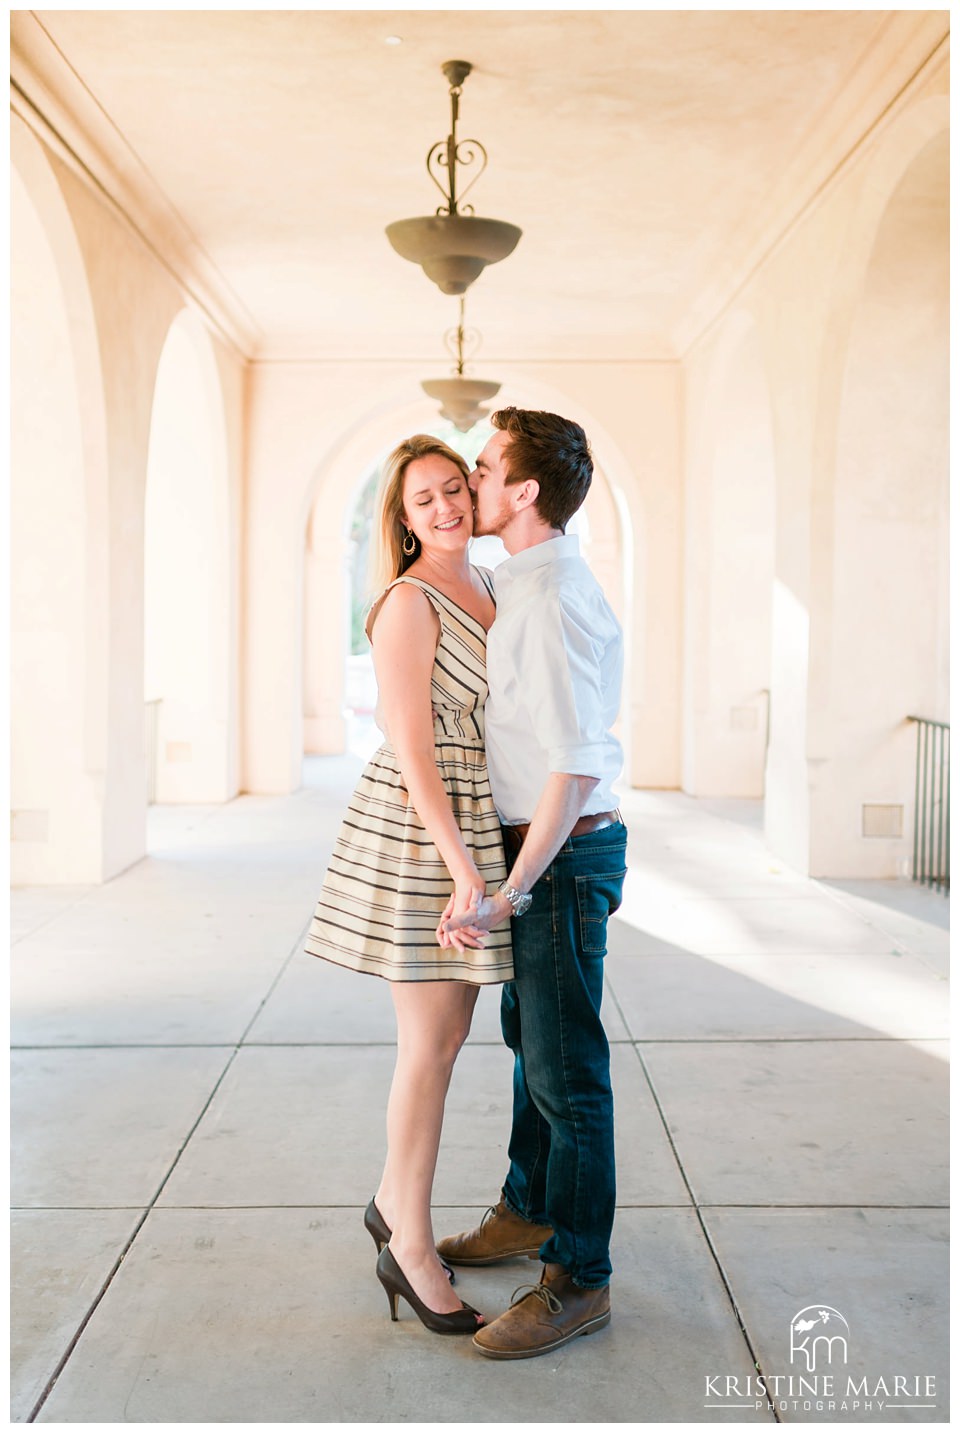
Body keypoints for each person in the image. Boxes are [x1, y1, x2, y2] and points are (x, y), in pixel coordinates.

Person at [304, 434, 514, 1336]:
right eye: (422, 499)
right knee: (426, 1044)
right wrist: (463, 868)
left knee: (453, 1031)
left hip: (476, 816)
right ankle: (413, 1248)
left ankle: (393, 1202)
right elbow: (413, 749)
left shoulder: (492, 586)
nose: (444, 507)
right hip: (424, 829)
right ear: (402, 517)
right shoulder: (407, 601)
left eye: (453, 489)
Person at [437, 407, 627, 1360]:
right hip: (538, 853)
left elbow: (574, 762)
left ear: (523, 492)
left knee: (568, 1072)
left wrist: (513, 887)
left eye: (483, 466)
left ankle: (579, 1278)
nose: (469, 481)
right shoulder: (522, 582)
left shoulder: (548, 599)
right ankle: (528, 1209)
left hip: (555, 856)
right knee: (532, 1045)